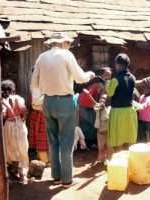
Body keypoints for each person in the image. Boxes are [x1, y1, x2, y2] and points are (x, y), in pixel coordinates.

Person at [31, 32, 95, 188]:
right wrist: (90, 75)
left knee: (52, 141)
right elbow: (80, 78)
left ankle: (56, 177)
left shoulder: (41, 57)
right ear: (62, 43)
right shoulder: (66, 55)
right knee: (66, 141)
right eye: (68, 43)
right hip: (64, 102)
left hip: (48, 102)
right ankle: (67, 180)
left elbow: (34, 83)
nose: (69, 45)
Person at [106, 53, 138, 151]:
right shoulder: (133, 78)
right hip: (130, 112)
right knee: (129, 140)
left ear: (119, 65)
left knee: (118, 141)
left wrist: (108, 84)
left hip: (118, 114)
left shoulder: (115, 80)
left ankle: (120, 162)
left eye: (116, 65)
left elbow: (110, 94)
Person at [1, 80, 29, 184]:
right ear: (13, 89)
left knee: (11, 148)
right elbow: (24, 111)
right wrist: (22, 121)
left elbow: (3, 115)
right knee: (21, 148)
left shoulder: (3, 101)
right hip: (18, 124)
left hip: (8, 126)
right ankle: (22, 175)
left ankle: (14, 171)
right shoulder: (18, 98)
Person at [29, 86, 49, 164]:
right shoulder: (36, 86)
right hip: (40, 112)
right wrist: (49, 94)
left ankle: (44, 158)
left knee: (46, 136)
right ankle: (44, 160)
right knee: (41, 137)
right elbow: (36, 101)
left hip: (46, 112)